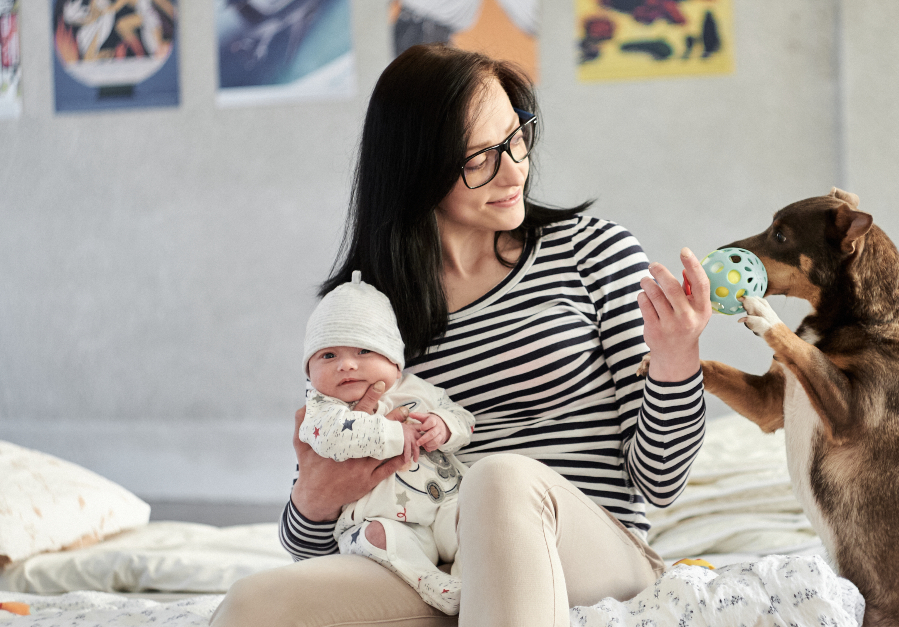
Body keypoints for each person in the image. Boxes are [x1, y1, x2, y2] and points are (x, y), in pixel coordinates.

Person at [210, 44, 711, 627]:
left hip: (590, 548)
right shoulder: (366, 310)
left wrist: (677, 359)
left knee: (499, 480)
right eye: (479, 157)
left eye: (516, 138)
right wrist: (315, 500)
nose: (513, 169)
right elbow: (309, 546)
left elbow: (661, 480)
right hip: (436, 567)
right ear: (415, 167)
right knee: (253, 605)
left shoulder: (592, 251)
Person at [300, 270, 475, 614]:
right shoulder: (323, 410)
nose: (346, 365)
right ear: (309, 372)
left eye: (364, 350)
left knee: (477, 519)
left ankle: (470, 578)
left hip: (445, 505)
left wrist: (444, 426)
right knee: (374, 537)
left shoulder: (417, 390)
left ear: (395, 362)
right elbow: (335, 438)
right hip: (390, 524)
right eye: (328, 356)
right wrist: (396, 434)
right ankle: (429, 581)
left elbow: (464, 419)